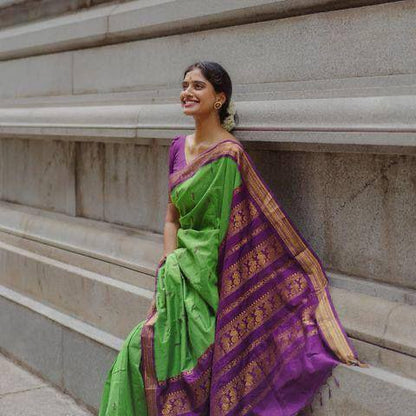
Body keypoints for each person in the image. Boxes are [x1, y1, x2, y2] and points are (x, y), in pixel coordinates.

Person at [99, 61, 362, 416]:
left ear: (219, 98)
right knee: (137, 350)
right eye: (184, 85)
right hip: (178, 273)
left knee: (178, 361)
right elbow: (170, 217)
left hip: (208, 276)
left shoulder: (230, 155)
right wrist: (169, 262)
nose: (187, 92)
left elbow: (239, 230)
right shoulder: (177, 148)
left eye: (197, 86)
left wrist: (196, 275)